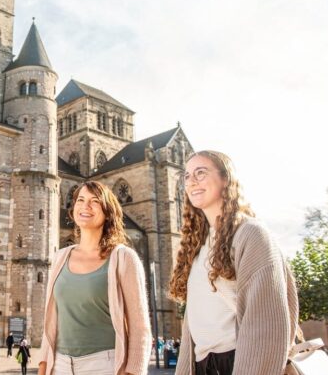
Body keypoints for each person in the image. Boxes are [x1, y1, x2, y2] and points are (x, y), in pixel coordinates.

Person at [170, 150, 298, 375]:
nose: (192, 181)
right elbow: (195, 325)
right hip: (203, 365)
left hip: (241, 361)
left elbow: (266, 323)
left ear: (226, 179)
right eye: (187, 176)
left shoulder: (250, 233)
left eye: (201, 173)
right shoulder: (199, 245)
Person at [37, 181, 151, 375]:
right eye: (80, 200)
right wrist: (43, 366)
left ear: (108, 212)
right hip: (60, 365)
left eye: (94, 201)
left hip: (104, 364)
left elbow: (140, 328)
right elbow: (52, 321)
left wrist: (133, 372)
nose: (85, 206)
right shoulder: (59, 257)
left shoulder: (123, 258)